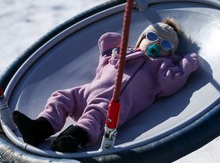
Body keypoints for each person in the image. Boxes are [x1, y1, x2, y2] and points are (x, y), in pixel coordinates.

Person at [12, 18, 200, 152]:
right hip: (88, 91)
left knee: (96, 114)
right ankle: (41, 127)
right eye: (151, 36)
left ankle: (74, 138)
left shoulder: (160, 67)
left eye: (165, 45)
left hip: (114, 104)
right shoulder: (124, 52)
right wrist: (109, 49)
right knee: (61, 97)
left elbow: (170, 85)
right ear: (141, 38)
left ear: (170, 52)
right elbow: (103, 68)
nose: (155, 45)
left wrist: (185, 65)